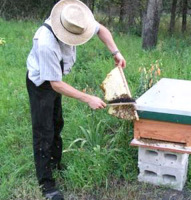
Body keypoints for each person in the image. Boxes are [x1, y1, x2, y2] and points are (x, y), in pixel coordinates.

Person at [26, 0, 126, 199]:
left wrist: (116, 51)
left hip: (56, 78)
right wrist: (88, 98)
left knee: (57, 122)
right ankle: (46, 184)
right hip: (41, 85)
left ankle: (55, 163)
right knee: (43, 131)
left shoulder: (74, 18)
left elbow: (101, 29)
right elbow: (55, 85)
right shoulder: (46, 43)